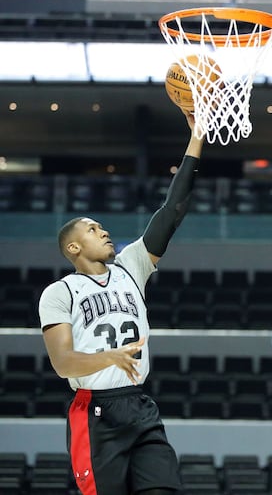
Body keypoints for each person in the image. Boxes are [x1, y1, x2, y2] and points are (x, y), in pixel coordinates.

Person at [38, 110, 205, 495]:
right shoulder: (59, 293)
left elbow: (172, 210)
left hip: (140, 405)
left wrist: (195, 138)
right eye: (93, 229)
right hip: (95, 412)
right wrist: (109, 358)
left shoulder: (132, 265)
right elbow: (63, 363)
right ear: (74, 247)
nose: (105, 231)